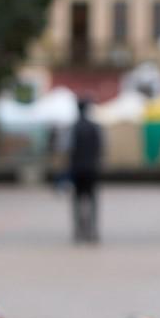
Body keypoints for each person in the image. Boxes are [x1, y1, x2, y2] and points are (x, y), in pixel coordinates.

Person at [67, 96, 104, 243]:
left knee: (77, 200)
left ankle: (79, 230)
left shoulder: (72, 128)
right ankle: (92, 230)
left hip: (76, 169)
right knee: (92, 199)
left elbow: (66, 148)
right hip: (92, 168)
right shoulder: (95, 127)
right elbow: (101, 147)